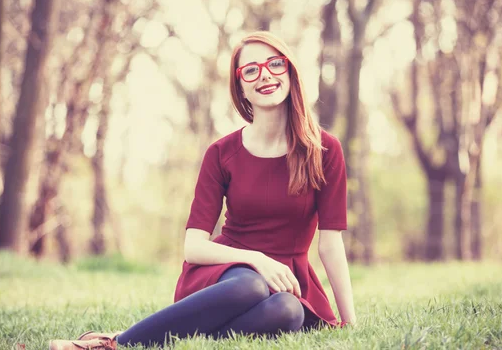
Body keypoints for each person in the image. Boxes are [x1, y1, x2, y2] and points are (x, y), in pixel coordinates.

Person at [49, 31, 357, 350]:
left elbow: (330, 244)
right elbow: (194, 246)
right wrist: (257, 260)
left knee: (288, 311)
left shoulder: (324, 150)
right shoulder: (221, 153)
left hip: (287, 281)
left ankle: (158, 339)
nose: (264, 74)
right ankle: (114, 344)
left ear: (290, 73)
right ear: (240, 88)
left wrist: (350, 321)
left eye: (275, 64)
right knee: (250, 286)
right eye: (250, 69)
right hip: (225, 274)